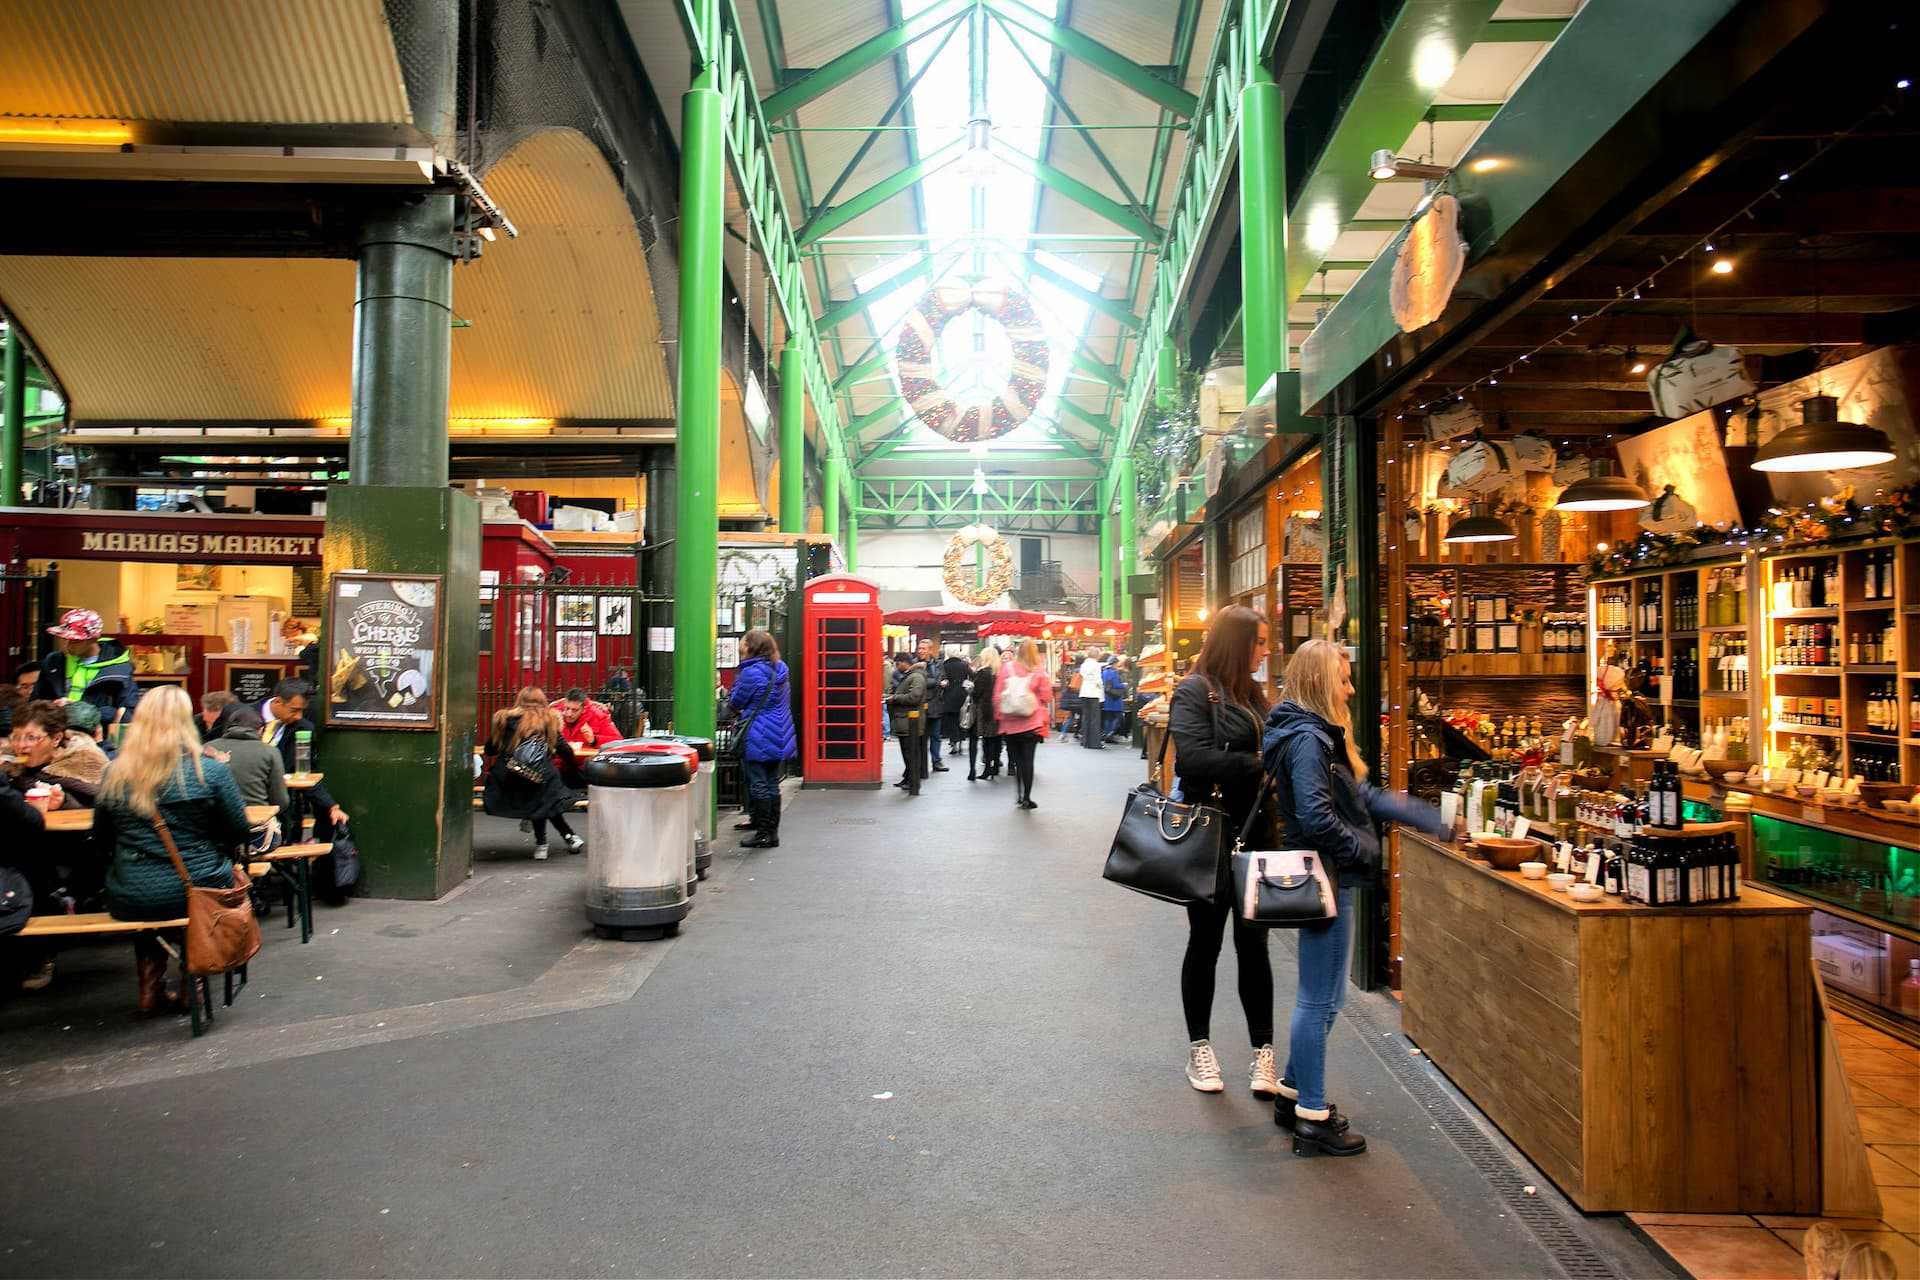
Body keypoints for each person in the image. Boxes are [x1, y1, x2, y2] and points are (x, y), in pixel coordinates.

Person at [1263, 637, 1447, 1156]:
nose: (1351, 687)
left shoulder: (1314, 736)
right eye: (1343, 678)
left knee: (1324, 996)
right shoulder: (1308, 740)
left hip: (1326, 874)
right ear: (1323, 682)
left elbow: (1360, 796)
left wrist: (1428, 819)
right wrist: (1362, 848)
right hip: (1326, 876)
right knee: (1320, 999)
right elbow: (1318, 818)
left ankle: (1295, 1093)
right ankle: (1313, 1118)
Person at [1168, 605, 1277, 1098]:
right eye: (1259, 642)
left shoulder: (1255, 696)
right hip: (1209, 835)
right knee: (1206, 943)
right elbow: (1191, 760)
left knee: (1254, 946)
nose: (1266, 650)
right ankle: (1200, 1048)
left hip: (1255, 834)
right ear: (1238, 643)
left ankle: (1263, 1055)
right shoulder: (1195, 691)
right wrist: (1257, 764)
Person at [97, 685, 251, 1015]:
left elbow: (101, 837)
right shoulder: (209, 772)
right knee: (192, 893)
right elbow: (239, 829)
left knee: (153, 904)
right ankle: (190, 986)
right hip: (199, 887)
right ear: (186, 723)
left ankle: (149, 990)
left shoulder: (112, 774)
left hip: (130, 893)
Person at [482, 687, 583, 860]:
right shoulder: (548, 721)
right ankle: (562, 838)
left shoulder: (505, 720)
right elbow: (565, 751)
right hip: (540, 778)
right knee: (545, 793)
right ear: (542, 701)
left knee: (540, 798)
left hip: (510, 779)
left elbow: (490, 750)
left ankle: (548, 842)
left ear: (519, 700)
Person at [728, 629, 797, 849]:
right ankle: (766, 828)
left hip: (758, 731)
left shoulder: (751, 673)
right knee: (770, 783)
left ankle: (765, 834)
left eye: (744, 642)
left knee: (758, 783)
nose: (741, 645)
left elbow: (736, 702)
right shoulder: (781, 669)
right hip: (780, 730)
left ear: (751, 647)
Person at [258, 678, 348, 844]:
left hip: (283, 811)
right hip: (246, 804)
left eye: (302, 711)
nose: (299, 716)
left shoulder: (303, 729)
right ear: (278, 701)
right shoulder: (243, 716)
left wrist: (331, 806)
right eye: (294, 710)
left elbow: (305, 772)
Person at [31, 608, 139, 728]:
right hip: (56, 735)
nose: (67, 645)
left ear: (93, 639)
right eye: (65, 639)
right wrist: (53, 707)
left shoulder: (119, 670)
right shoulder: (53, 662)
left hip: (97, 739)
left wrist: (87, 712)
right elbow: (35, 704)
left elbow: (129, 715)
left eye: (75, 641)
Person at [210, 703, 290, 848]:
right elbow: (281, 802)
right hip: (256, 838)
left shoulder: (207, 748)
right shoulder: (270, 752)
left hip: (214, 837)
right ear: (260, 730)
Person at [5, 700, 109, 809]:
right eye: (16, 737)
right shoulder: (8, 768)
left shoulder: (86, 765)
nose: (21, 745)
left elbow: (101, 811)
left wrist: (64, 802)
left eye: (31, 738)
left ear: (56, 739)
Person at [993, 638, 1053, 810]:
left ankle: (1018, 793)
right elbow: (1046, 697)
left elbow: (997, 696)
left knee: (1017, 760)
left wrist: (1000, 717)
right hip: (1031, 723)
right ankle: (1027, 797)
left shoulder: (1007, 668)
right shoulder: (1039, 671)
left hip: (1009, 724)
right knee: (1028, 760)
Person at [885, 650, 929, 796]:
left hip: (911, 721)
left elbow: (914, 697)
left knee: (911, 753)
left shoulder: (916, 677)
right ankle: (908, 778)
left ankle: (913, 782)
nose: (897, 667)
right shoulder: (911, 676)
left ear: (905, 662)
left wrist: (895, 698)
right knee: (907, 753)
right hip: (905, 721)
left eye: (898, 664)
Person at [970, 645, 1002, 781]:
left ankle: (987, 768)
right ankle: (994, 766)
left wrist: (970, 688)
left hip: (984, 709)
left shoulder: (983, 673)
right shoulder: (999, 673)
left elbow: (976, 693)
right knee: (995, 739)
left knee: (986, 740)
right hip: (997, 708)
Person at [919, 640, 949, 774]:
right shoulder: (916, 664)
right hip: (921, 705)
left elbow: (944, 678)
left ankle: (936, 761)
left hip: (936, 704)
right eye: (919, 648)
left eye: (924, 649)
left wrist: (945, 682)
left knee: (936, 736)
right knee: (921, 737)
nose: (920, 651)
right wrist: (938, 683)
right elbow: (922, 681)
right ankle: (921, 764)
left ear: (930, 650)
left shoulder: (938, 664)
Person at [938, 649, 972, 764]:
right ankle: (962, 740)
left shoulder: (945, 665)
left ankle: (954, 743)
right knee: (961, 718)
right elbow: (972, 675)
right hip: (962, 693)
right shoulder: (964, 665)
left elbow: (942, 678)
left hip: (950, 693)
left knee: (952, 719)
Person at [1077, 649, 1106, 749]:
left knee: (1086, 717)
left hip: (1084, 692)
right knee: (1095, 718)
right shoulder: (1096, 665)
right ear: (1097, 655)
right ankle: (1094, 742)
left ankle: (1085, 741)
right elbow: (1098, 680)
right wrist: (1102, 688)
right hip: (1094, 693)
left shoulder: (1083, 665)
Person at [1100, 655, 1128, 742]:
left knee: (1108, 717)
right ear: (1114, 663)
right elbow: (1116, 685)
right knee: (1118, 717)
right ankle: (1110, 734)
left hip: (1107, 698)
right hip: (1115, 699)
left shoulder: (1104, 672)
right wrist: (1124, 684)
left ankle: (1106, 733)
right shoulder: (1114, 672)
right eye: (1117, 664)